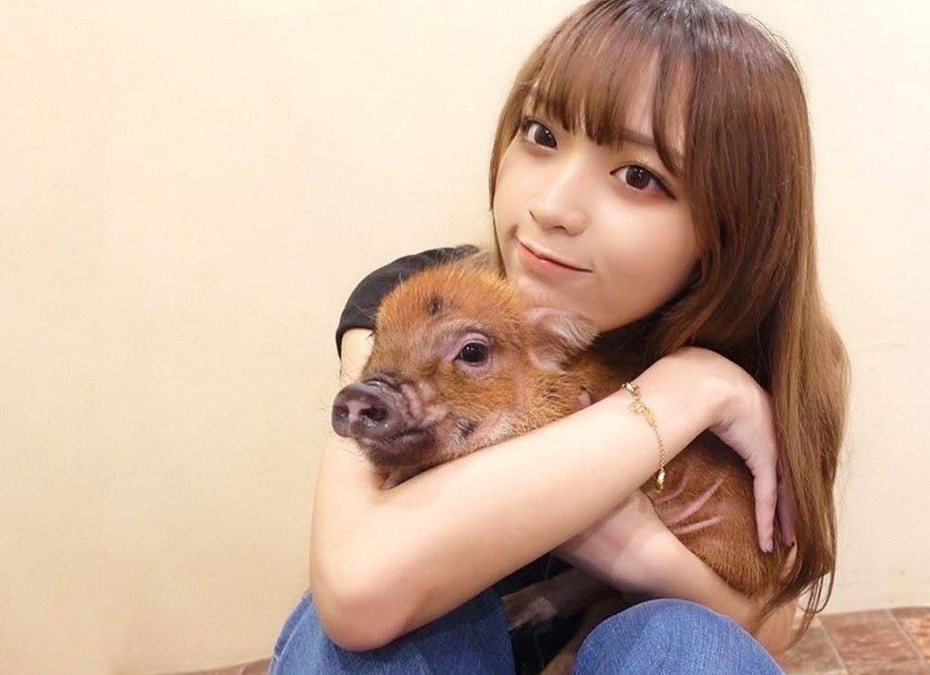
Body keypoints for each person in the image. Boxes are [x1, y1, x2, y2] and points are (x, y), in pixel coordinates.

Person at [272, 0, 850, 672]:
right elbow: (358, 593)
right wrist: (685, 392)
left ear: (729, 230)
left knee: (692, 641)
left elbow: (774, 621)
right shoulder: (408, 303)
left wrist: (628, 545)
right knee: (397, 633)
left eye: (639, 176)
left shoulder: (768, 361)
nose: (549, 207)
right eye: (541, 133)